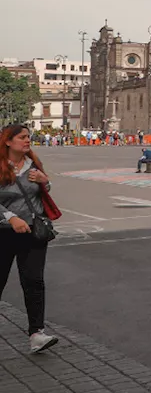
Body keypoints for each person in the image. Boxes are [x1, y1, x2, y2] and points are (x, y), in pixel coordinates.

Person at [0, 124, 59, 354]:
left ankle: (37, 334)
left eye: (28, 137)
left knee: (34, 282)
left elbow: (45, 191)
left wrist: (45, 180)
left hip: (34, 232)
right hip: (4, 233)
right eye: (22, 137)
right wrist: (10, 217)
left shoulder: (33, 163)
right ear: (8, 141)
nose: (27, 141)